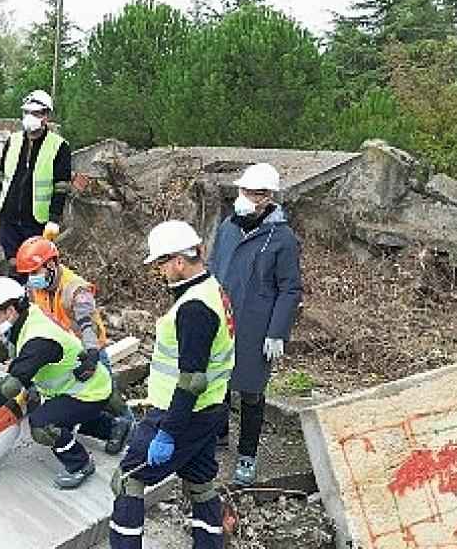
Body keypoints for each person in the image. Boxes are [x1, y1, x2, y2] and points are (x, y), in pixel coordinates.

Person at [110, 221, 234, 549]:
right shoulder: (212, 289)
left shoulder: (194, 308)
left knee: (127, 481)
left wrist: (167, 433)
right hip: (210, 409)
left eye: (162, 263)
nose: (161, 271)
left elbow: (192, 379)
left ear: (179, 261)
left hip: (179, 414)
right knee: (201, 482)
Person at [0, 277, 122, 489]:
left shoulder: (38, 339)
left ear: (11, 309)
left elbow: (12, 384)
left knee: (42, 425)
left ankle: (80, 464)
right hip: (75, 386)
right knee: (39, 405)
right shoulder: (29, 316)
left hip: (87, 390)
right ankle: (113, 428)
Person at [207, 163, 303, 486]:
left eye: (253, 193)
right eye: (243, 191)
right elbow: (211, 268)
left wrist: (277, 331)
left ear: (268, 198)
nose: (246, 197)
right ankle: (217, 435)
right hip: (222, 319)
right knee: (218, 383)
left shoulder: (282, 238)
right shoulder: (228, 227)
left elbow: (290, 288)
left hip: (256, 327)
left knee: (250, 391)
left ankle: (247, 454)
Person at [15, 236, 134, 448]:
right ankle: (107, 426)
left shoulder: (76, 290)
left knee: (108, 394)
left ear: (51, 265)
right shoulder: (34, 289)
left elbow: (88, 325)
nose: (31, 278)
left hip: (87, 351)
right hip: (61, 350)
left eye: (34, 273)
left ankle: (129, 428)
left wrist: (91, 355)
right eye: (28, 274)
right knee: (73, 398)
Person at [0, 89, 72, 260]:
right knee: (13, 266)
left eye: (36, 113)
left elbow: (61, 186)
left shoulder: (59, 146)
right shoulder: (13, 140)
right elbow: (1, 176)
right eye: (27, 112)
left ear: (46, 116)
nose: (30, 116)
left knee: (34, 269)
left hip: (36, 222)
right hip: (8, 218)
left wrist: (54, 219)